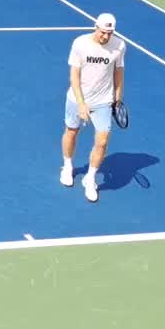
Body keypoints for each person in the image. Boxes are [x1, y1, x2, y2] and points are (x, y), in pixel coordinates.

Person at [60, 13, 126, 204]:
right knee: (71, 132)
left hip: (103, 101)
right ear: (95, 27)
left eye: (109, 33)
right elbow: (74, 75)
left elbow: (119, 73)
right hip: (76, 98)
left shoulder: (119, 46)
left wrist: (117, 100)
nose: (106, 37)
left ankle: (90, 178)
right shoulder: (80, 43)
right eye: (103, 32)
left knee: (103, 141)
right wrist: (81, 103)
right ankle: (67, 166)